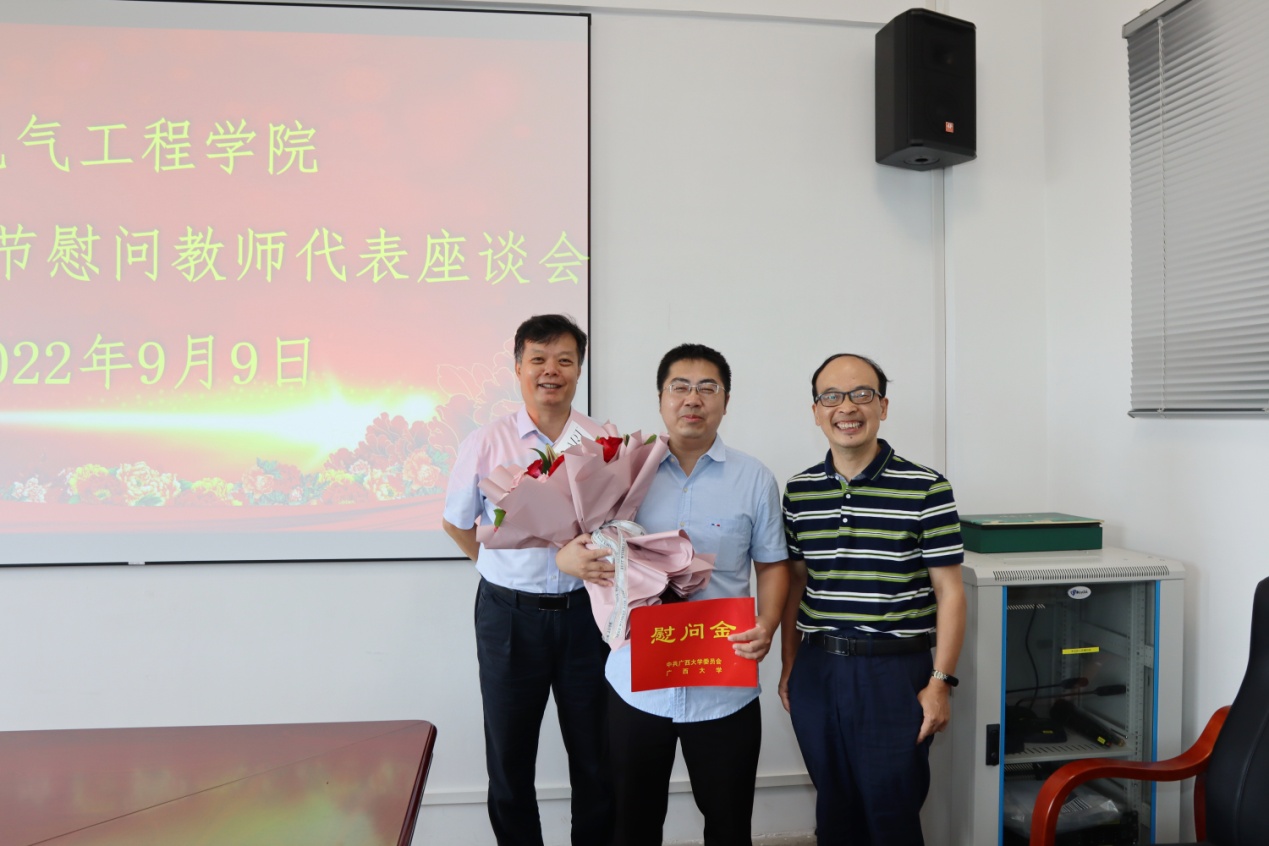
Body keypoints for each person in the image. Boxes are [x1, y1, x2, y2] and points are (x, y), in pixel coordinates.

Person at [557, 343, 789, 846]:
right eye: (679, 387)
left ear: (726, 401)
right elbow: (580, 543)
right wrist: (566, 559)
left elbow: (772, 564)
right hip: (635, 682)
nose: (693, 398)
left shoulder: (754, 479)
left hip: (723, 685)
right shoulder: (621, 471)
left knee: (729, 827)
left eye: (708, 388)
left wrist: (768, 624)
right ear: (661, 398)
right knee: (632, 827)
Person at [779, 353, 965, 846]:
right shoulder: (799, 491)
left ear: (882, 406)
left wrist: (940, 683)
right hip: (819, 669)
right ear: (816, 411)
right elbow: (796, 585)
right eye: (831, 397)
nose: (847, 407)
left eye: (862, 394)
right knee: (834, 810)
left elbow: (950, 592)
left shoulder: (926, 487)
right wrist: (790, 665)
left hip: (894, 673)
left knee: (892, 813)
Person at [442, 314, 613, 846]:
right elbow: (456, 522)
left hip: (586, 615)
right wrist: (498, 566)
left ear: (580, 368)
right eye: (538, 359)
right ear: (518, 367)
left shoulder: (602, 441)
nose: (550, 371)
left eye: (564, 360)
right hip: (508, 615)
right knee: (510, 756)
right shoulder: (485, 442)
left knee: (596, 754)